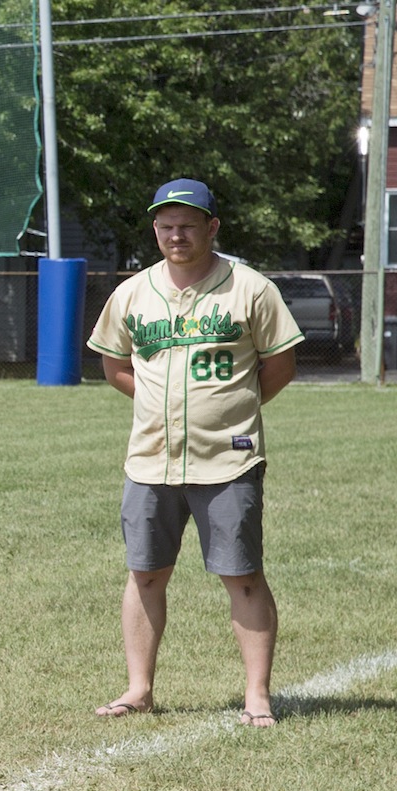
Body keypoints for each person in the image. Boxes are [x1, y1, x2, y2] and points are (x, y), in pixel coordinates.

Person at [86, 179, 303, 726]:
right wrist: (159, 405)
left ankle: (257, 695)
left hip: (228, 458)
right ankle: (139, 689)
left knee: (243, 575)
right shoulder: (133, 293)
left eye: (187, 224)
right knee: (145, 572)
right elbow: (115, 366)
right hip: (151, 458)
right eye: (165, 226)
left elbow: (278, 365)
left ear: (212, 227)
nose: (175, 235)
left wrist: (230, 407)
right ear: (155, 231)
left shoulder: (250, 289)